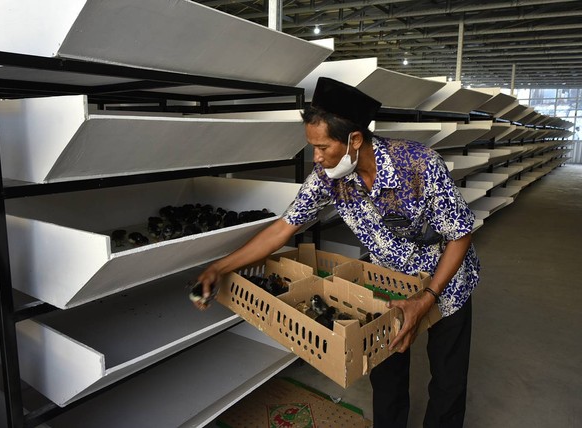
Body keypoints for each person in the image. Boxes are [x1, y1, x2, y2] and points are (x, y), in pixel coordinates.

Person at [196, 77, 480, 428]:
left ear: (355, 140)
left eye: (323, 147)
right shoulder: (329, 176)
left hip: (446, 283)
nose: (316, 157)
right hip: (389, 285)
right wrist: (219, 267)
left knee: (448, 382)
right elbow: (284, 227)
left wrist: (426, 299)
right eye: (312, 147)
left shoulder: (420, 164)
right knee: (387, 377)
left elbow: (460, 234)